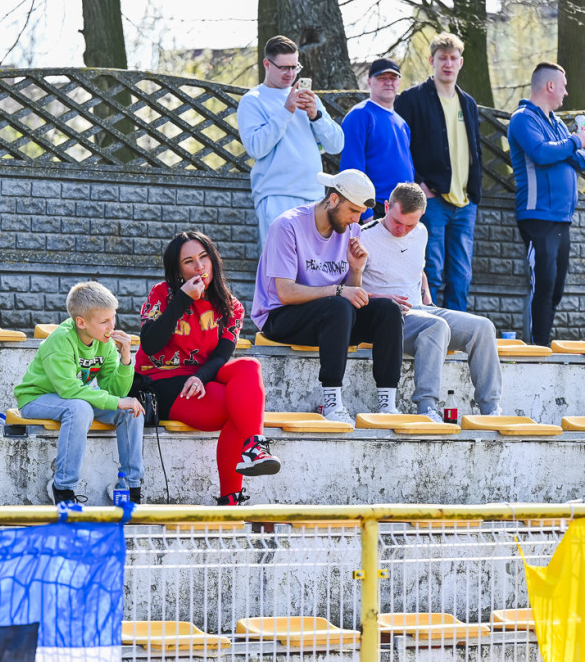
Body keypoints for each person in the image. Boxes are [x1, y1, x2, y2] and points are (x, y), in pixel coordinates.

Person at [136, 231, 278, 507]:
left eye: (203, 258)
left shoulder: (230, 305)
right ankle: (231, 496)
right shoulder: (162, 293)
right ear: (178, 270)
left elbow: (223, 355)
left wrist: (200, 377)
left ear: (213, 260)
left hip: (202, 376)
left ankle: (255, 447)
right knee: (238, 409)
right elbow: (150, 344)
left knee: (248, 365)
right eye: (189, 262)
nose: (199, 267)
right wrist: (183, 300)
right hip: (162, 380)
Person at [251, 169, 404, 425]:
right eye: (353, 211)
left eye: (360, 214)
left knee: (388, 310)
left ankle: (387, 404)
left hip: (331, 319)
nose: (357, 220)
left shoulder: (350, 230)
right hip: (280, 317)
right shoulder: (287, 225)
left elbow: (349, 294)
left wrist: (356, 270)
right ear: (333, 199)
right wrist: (339, 291)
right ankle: (331, 401)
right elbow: (285, 292)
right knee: (337, 306)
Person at [361, 183, 502, 421]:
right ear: (386, 206)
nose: (403, 230)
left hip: (420, 309)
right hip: (387, 319)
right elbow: (351, 289)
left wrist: (426, 292)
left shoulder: (422, 232)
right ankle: (427, 408)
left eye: (410, 224)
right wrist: (382, 298)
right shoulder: (364, 236)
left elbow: (415, 267)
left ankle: (491, 410)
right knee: (436, 327)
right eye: (397, 222)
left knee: (483, 327)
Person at [14, 281, 144, 505]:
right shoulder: (60, 341)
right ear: (81, 322)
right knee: (80, 408)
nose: (111, 326)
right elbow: (69, 389)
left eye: (113, 318)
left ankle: (130, 486)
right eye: (104, 321)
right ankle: (63, 487)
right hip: (36, 399)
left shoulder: (104, 342)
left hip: (72, 399)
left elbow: (114, 391)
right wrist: (116, 401)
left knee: (132, 411)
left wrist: (125, 360)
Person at [394, 32, 482, 312]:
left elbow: (473, 148)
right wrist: (420, 185)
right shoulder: (411, 99)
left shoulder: (467, 102)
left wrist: (474, 191)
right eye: (442, 58)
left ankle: (458, 330)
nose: (448, 63)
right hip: (431, 200)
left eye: (453, 58)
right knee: (430, 268)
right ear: (432, 60)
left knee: (461, 274)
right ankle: (428, 324)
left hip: (465, 203)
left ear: (461, 62)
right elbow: (402, 147)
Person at [238, 35, 345, 250]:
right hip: (276, 194)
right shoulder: (253, 100)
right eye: (284, 68)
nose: (291, 74)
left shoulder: (308, 98)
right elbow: (256, 148)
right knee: (280, 266)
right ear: (267, 64)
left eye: (295, 67)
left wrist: (317, 116)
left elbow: (337, 145)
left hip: (313, 195)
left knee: (311, 267)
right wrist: (286, 111)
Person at [507, 62, 585, 346]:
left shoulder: (557, 123)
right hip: (537, 217)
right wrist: (574, 142)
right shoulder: (523, 118)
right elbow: (540, 153)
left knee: (555, 288)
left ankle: (542, 343)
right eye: (563, 86)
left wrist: (574, 145)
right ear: (550, 85)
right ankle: (537, 348)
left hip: (562, 219)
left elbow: (578, 160)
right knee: (543, 283)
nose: (566, 93)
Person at [339, 57, 415, 222]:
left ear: (399, 83)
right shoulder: (360, 115)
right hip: (374, 209)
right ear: (369, 82)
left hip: (401, 209)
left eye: (393, 78)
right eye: (381, 78)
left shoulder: (401, 123)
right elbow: (351, 168)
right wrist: (366, 214)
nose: (388, 82)